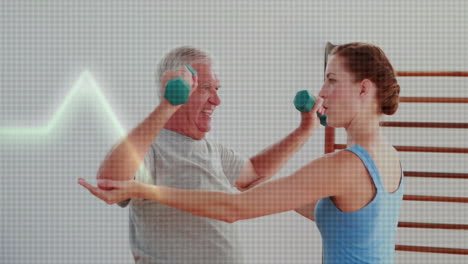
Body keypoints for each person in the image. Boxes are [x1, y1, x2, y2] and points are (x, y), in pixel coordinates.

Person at [80, 42, 403, 263]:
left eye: (331, 80)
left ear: (363, 89)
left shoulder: (343, 165)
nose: (321, 92)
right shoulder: (386, 156)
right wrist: (303, 132)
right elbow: (254, 183)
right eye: (204, 88)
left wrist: (144, 190)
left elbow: (241, 194)